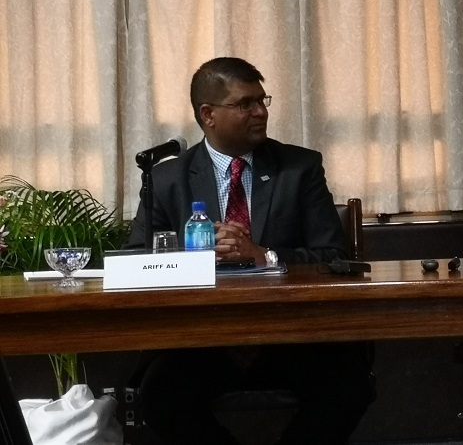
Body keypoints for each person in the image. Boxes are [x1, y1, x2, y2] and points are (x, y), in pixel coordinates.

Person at [126, 57, 372, 445]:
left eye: (262, 100)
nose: (261, 111)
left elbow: (333, 256)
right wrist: (195, 257)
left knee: (349, 384)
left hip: (288, 336)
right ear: (208, 114)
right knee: (159, 396)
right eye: (245, 103)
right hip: (202, 341)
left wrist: (264, 256)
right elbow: (134, 260)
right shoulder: (168, 178)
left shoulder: (299, 168)